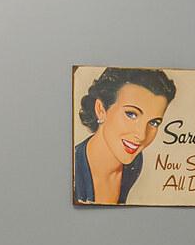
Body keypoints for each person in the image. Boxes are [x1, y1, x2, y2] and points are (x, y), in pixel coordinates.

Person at [73, 67, 176, 205]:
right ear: (101, 110)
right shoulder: (72, 173)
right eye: (131, 114)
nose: (141, 135)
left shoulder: (134, 162)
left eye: (154, 122)